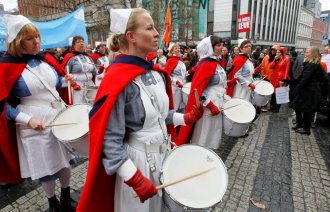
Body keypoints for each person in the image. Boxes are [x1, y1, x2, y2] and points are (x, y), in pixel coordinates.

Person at [76, 8, 203, 212]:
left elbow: (161, 116)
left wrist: (186, 117)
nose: (156, 33)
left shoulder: (156, 72)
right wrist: (134, 179)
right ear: (131, 36)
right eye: (150, 28)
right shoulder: (116, 78)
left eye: (155, 28)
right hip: (136, 163)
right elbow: (109, 140)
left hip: (164, 155)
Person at [0, 14, 76, 212]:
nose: (36, 42)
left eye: (37, 37)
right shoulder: (6, 66)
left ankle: (66, 196)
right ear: (17, 41)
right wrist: (27, 119)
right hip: (32, 121)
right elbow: (2, 106)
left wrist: (64, 80)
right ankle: (53, 203)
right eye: (29, 38)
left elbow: (53, 85)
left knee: (65, 161)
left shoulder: (46, 59)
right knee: (46, 168)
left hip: (57, 114)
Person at [177, 35, 236, 148]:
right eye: (218, 45)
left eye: (221, 45)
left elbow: (217, 83)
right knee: (204, 134)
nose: (222, 47)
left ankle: (208, 153)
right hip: (208, 106)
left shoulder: (216, 63)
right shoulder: (205, 64)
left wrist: (229, 82)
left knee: (212, 133)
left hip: (217, 103)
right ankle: (200, 154)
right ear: (210, 47)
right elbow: (197, 90)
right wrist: (209, 104)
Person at [290, 47, 328, 135]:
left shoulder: (313, 65)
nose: (305, 54)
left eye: (307, 52)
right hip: (308, 90)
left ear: (313, 54)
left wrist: (295, 90)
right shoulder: (312, 63)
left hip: (310, 91)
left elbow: (305, 80)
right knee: (298, 107)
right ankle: (301, 124)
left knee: (305, 110)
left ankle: (306, 128)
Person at [62, 35, 99, 104]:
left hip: (90, 85)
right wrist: (73, 84)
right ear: (73, 45)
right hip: (77, 86)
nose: (81, 43)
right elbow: (64, 74)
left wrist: (100, 70)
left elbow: (95, 72)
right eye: (78, 42)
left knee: (93, 105)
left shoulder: (88, 57)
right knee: (80, 106)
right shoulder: (69, 57)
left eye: (82, 41)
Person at [165, 43, 187, 111]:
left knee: (181, 108)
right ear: (172, 51)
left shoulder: (180, 60)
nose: (178, 49)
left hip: (182, 87)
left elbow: (182, 75)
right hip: (173, 88)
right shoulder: (170, 61)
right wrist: (176, 82)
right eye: (176, 48)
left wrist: (191, 71)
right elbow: (166, 75)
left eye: (178, 48)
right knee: (174, 108)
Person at [269, 47, 290, 113]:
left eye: (279, 52)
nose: (277, 53)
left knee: (279, 93)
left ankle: (277, 108)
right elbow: (271, 66)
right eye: (277, 52)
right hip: (275, 78)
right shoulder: (277, 59)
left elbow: (287, 70)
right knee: (274, 93)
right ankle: (273, 106)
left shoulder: (286, 59)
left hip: (281, 79)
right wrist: (274, 60)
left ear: (282, 53)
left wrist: (284, 80)